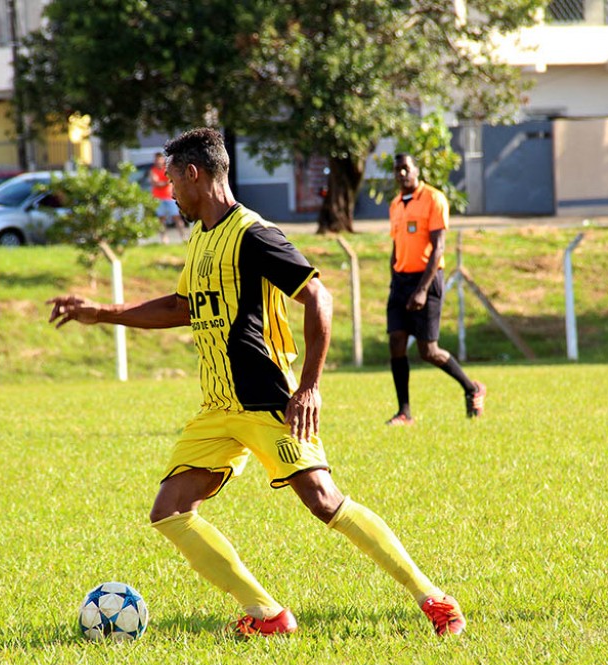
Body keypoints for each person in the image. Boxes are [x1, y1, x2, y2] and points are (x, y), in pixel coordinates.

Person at [48, 128, 465, 637]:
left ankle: (435, 599)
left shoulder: (253, 234)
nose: (170, 190)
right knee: (169, 510)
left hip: (268, 400)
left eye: (172, 179)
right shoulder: (201, 237)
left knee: (325, 501)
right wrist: (101, 313)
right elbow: (182, 307)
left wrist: (309, 386)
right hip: (218, 407)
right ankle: (268, 615)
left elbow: (320, 299)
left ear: (195, 174)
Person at [385, 152, 485, 426]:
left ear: (417, 169)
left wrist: (421, 289)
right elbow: (396, 246)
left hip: (426, 279)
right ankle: (404, 412)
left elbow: (438, 246)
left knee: (428, 350)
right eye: (397, 170)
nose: (402, 174)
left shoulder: (434, 199)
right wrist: (394, 276)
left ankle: (471, 388)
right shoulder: (395, 205)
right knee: (396, 341)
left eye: (406, 168)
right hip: (401, 281)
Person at [150, 151, 188, 243]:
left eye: (160, 160)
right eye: (157, 160)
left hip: (169, 197)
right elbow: (155, 182)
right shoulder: (153, 170)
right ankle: (164, 239)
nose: (158, 162)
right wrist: (163, 183)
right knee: (161, 219)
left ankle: (183, 237)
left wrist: (161, 183)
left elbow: (168, 181)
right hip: (158, 198)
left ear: (163, 160)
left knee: (176, 217)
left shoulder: (167, 169)